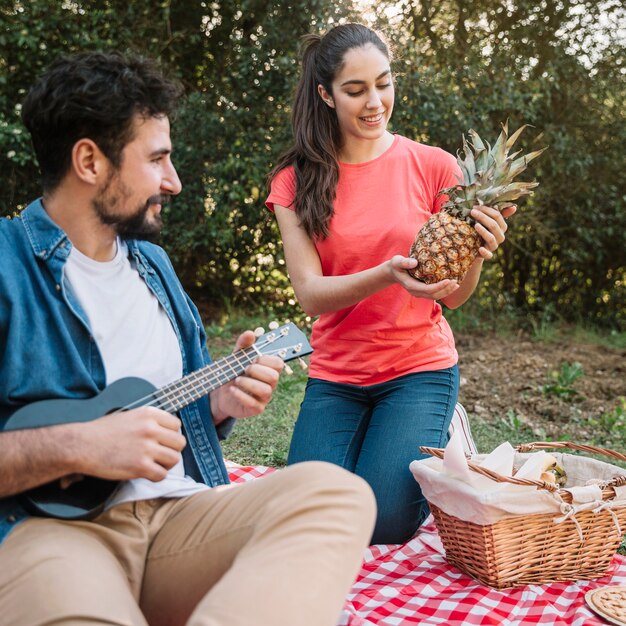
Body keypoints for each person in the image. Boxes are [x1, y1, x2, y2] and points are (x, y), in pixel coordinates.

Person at [0, 51, 376, 626]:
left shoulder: (153, 266)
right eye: (157, 159)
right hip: (50, 533)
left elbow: (176, 408)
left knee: (337, 495)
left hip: (175, 521)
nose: (173, 181)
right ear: (88, 161)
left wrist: (221, 402)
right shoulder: (6, 265)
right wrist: (78, 446)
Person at [266, 23, 514, 544]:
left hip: (416, 370)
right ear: (325, 95)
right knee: (303, 516)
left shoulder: (435, 167)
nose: (375, 101)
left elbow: (457, 298)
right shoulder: (295, 180)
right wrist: (386, 274)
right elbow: (309, 294)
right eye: (355, 90)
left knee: (385, 523)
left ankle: (442, 428)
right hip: (337, 373)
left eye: (384, 82)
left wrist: (478, 256)